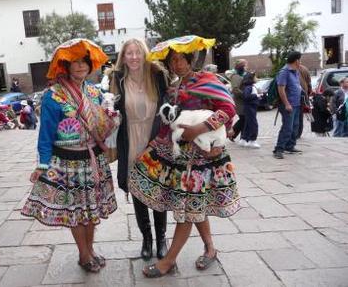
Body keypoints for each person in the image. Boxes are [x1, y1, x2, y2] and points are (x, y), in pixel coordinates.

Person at [129, 49, 240, 278]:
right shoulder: (173, 88)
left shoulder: (207, 80)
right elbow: (167, 122)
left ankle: (168, 261)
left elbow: (228, 109)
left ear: (191, 60)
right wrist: (152, 146)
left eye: (180, 59)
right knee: (194, 205)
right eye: (172, 61)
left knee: (189, 207)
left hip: (205, 155)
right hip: (181, 157)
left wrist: (200, 129)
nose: (176, 64)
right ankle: (210, 248)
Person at [21, 39, 117, 273]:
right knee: (76, 211)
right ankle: (84, 255)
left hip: (93, 159)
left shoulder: (95, 92)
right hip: (68, 163)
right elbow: (45, 134)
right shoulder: (53, 96)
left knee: (91, 210)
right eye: (74, 63)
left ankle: (91, 249)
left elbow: (105, 119)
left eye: (84, 62)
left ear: (89, 65)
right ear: (66, 66)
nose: (80, 67)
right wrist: (42, 165)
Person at [108, 39, 169, 260]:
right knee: (138, 191)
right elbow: (112, 108)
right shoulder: (117, 79)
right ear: (123, 57)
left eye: (137, 53)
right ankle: (147, 238)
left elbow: (167, 105)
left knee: (158, 191)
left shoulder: (157, 75)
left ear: (144, 55)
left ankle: (162, 238)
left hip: (154, 141)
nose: (133, 57)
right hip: (131, 139)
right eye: (128, 53)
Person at [273, 51, 303, 159]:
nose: (300, 62)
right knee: (287, 127)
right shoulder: (284, 72)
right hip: (288, 105)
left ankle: (290, 146)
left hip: (296, 104)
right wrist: (287, 104)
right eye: (300, 60)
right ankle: (278, 149)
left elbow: (296, 86)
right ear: (296, 60)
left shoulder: (295, 71)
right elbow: (281, 89)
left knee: (295, 126)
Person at [228, 59, 248, 144]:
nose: (246, 67)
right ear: (241, 66)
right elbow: (235, 89)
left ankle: (239, 136)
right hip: (240, 102)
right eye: (245, 65)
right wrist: (245, 94)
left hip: (244, 101)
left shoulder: (242, 75)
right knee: (244, 119)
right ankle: (234, 135)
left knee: (244, 119)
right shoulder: (235, 76)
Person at [241, 72, 261, 148]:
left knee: (248, 124)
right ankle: (252, 140)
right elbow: (246, 96)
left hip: (250, 107)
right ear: (251, 79)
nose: (256, 78)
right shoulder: (249, 87)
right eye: (255, 77)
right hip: (250, 107)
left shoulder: (249, 86)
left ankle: (244, 139)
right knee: (253, 124)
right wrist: (256, 95)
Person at [296, 64, 312, 139]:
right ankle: (298, 133)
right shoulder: (305, 68)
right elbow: (309, 83)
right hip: (303, 95)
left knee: (295, 115)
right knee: (300, 116)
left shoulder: (293, 69)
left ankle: (296, 134)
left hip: (296, 95)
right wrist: (308, 94)